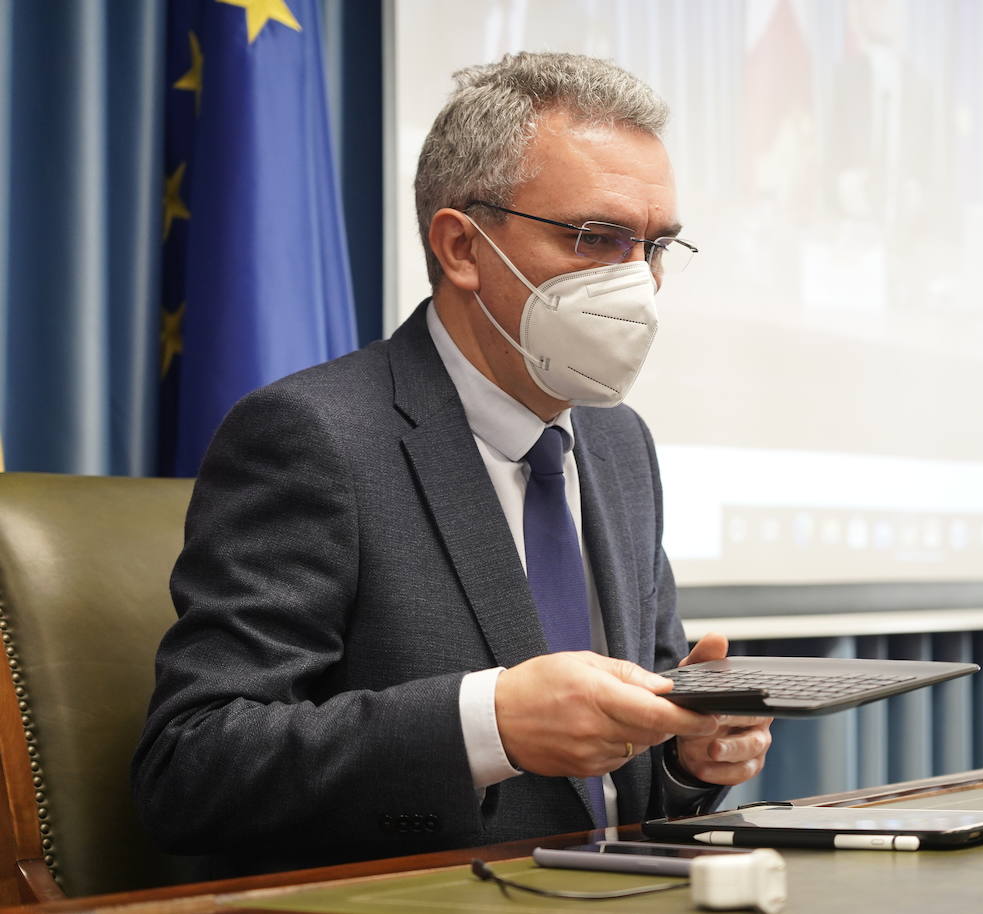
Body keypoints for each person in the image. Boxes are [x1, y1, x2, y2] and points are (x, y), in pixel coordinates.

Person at [132, 51, 772, 876]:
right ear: (462, 247)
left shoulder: (619, 444)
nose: (636, 284)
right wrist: (488, 726)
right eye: (596, 237)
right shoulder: (312, 437)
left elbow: (620, 785)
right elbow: (191, 767)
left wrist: (689, 757)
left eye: (655, 246)